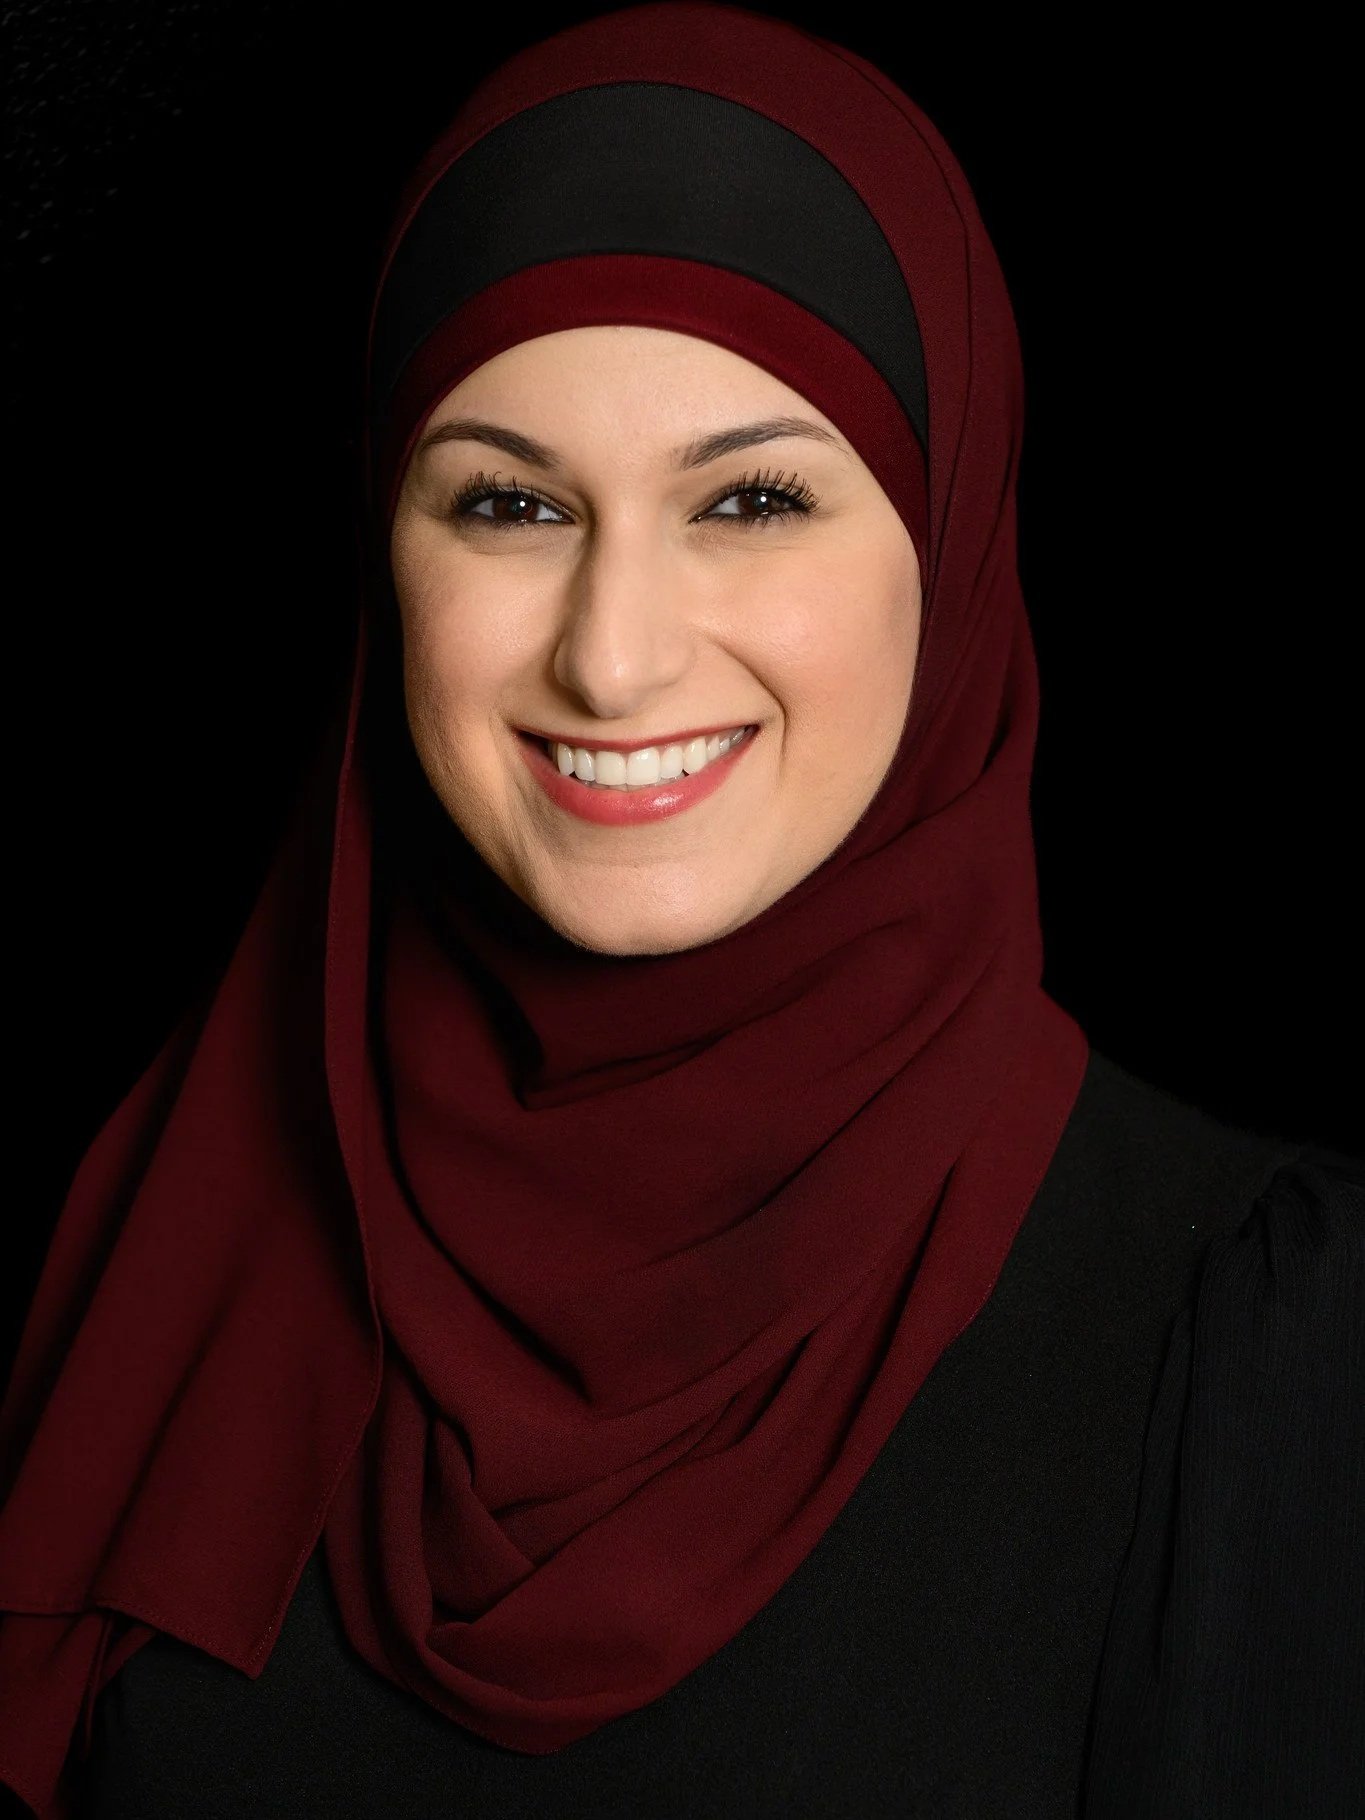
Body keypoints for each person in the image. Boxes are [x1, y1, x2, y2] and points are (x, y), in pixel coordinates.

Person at [1, 4, 1360, 1816]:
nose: (612, 653)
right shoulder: (167, 1271)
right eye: (506, 503)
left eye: (748, 499)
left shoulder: (1266, 1343)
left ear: (947, 557)